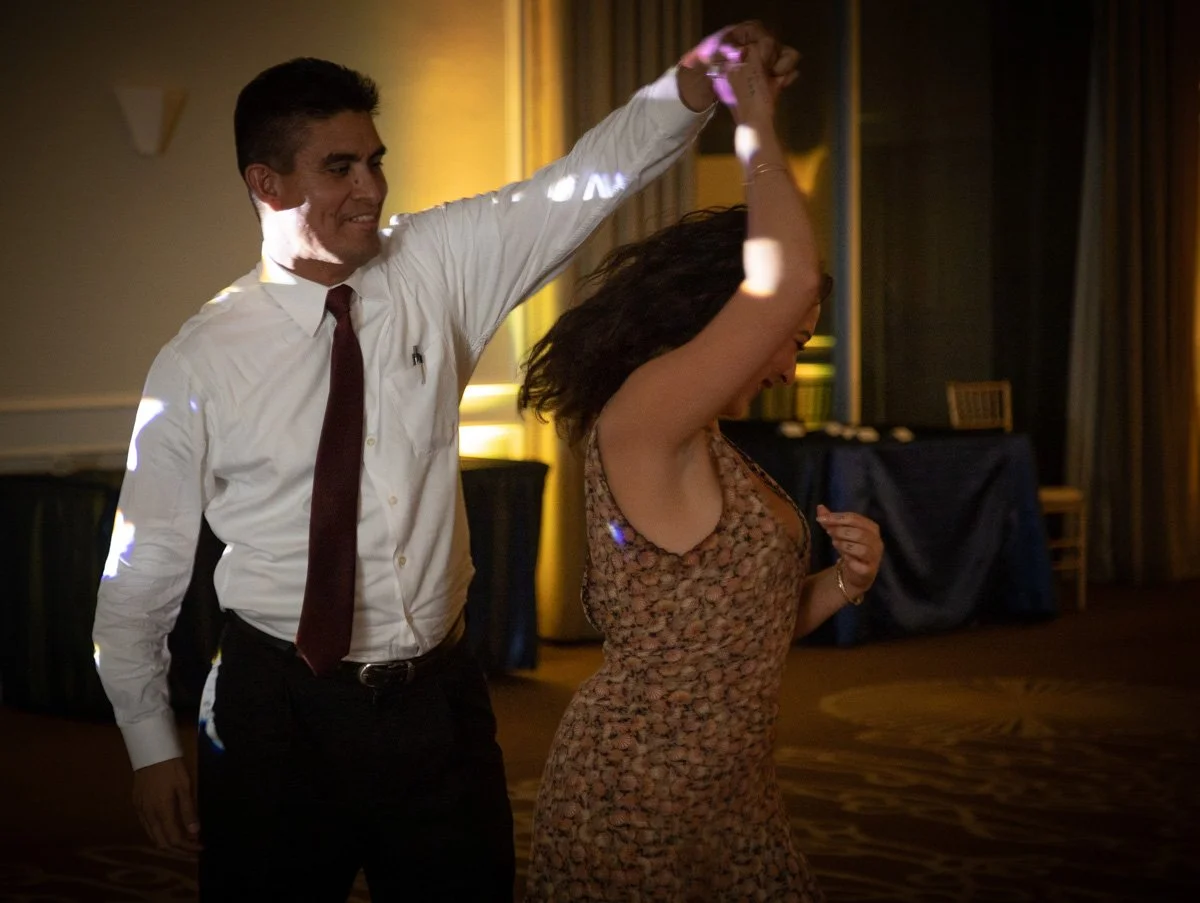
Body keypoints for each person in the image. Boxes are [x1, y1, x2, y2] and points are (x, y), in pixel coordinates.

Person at [92, 23, 800, 903]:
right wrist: (148, 742)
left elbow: (584, 182)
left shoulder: (434, 263)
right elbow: (143, 567)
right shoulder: (198, 360)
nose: (371, 188)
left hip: (438, 700)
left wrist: (692, 84)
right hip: (276, 710)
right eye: (340, 167)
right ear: (265, 184)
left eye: (375, 161)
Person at [517, 44, 884, 901]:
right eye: (792, 341)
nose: (789, 365)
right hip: (636, 796)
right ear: (724, 318)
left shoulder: (709, 442)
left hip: (731, 792)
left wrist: (845, 584)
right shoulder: (644, 416)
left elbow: (732, 636)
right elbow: (786, 276)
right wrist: (753, 117)